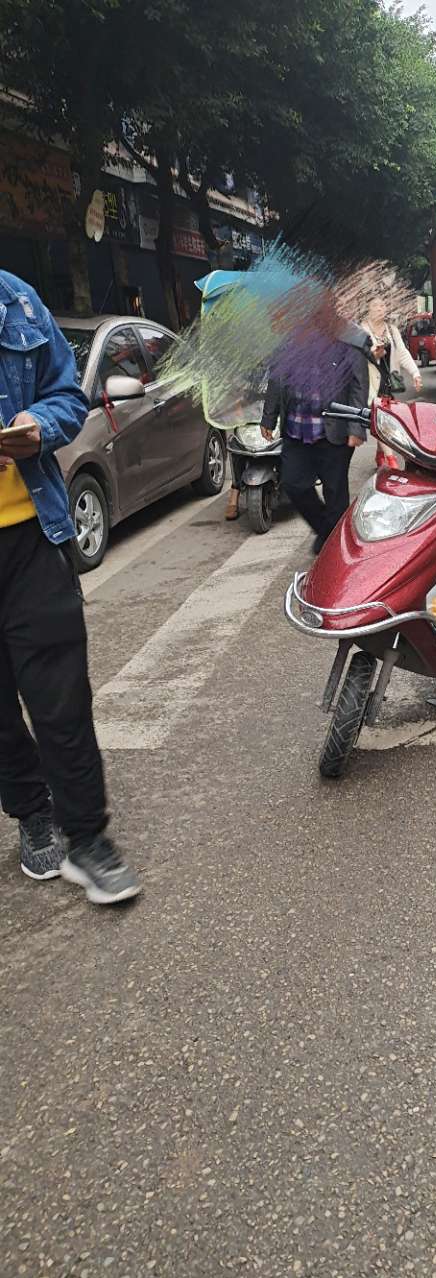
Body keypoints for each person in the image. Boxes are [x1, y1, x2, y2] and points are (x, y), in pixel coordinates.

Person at [0, 271, 140, 903]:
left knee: (61, 700)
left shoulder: (16, 299)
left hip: (31, 537)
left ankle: (87, 838)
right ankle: (32, 815)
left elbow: (66, 394)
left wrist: (37, 424)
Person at [261, 336, 369, 552]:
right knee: (293, 484)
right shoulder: (286, 340)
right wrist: (268, 418)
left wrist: (356, 426)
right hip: (296, 429)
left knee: (335, 494)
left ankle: (337, 550)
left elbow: (359, 383)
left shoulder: (346, 337)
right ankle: (328, 533)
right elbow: (275, 379)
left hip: (333, 431)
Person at [360, 295, 422, 405]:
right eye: (375, 305)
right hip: (368, 386)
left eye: (382, 305)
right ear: (368, 309)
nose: (380, 308)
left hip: (387, 387)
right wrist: (373, 356)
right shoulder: (361, 330)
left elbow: (402, 353)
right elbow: (356, 359)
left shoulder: (392, 330)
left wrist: (415, 373)